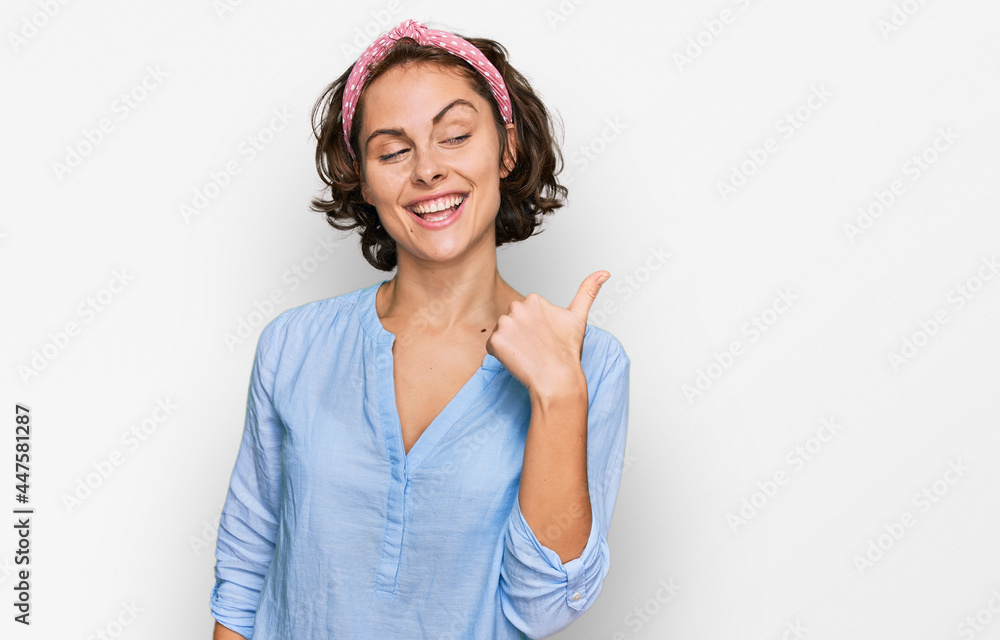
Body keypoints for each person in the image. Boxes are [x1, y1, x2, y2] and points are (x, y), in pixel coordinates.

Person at [209, 18, 631, 640]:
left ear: (506, 149)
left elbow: (541, 610)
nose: (427, 170)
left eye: (455, 135)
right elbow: (245, 568)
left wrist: (557, 393)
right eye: (393, 151)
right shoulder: (292, 345)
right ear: (364, 178)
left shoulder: (590, 364)